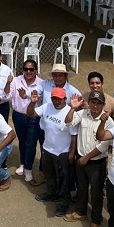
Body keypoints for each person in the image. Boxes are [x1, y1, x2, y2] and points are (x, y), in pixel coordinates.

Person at [63, 91, 114, 227]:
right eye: (93, 102)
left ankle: (96, 221)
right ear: (89, 103)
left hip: (96, 162)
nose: (95, 106)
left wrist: (87, 157)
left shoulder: (108, 121)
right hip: (81, 158)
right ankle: (80, 211)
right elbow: (68, 122)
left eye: (99, 103)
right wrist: (73, 108)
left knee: (97, 192)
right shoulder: (83, 113)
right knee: (82, 187)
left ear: (103, 105)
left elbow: (104, 145)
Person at [27, 87, 76, 217]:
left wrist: (71, 153)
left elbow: (74, 135)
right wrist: (32, 102)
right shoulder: (46, 106)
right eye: (54, 98)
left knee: (63, 179)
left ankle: (63, 202)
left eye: (59, 99)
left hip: (62, 152)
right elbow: (30, 113)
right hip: (48, 149)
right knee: (49, 175)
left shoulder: (69, 112)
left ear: (65, 99)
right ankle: (51, 193)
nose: (56, 101)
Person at [10, 59, 42, 182]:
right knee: (22, 141)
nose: (28, 71)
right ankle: (23, 163)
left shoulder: (41, 84)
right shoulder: (16, 81)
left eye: (31, 69)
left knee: (31, 143)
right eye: (26, 69)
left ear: (36, 70)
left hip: (33, 117)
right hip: (18, 115)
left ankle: (28, 169)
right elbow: (9, 95)